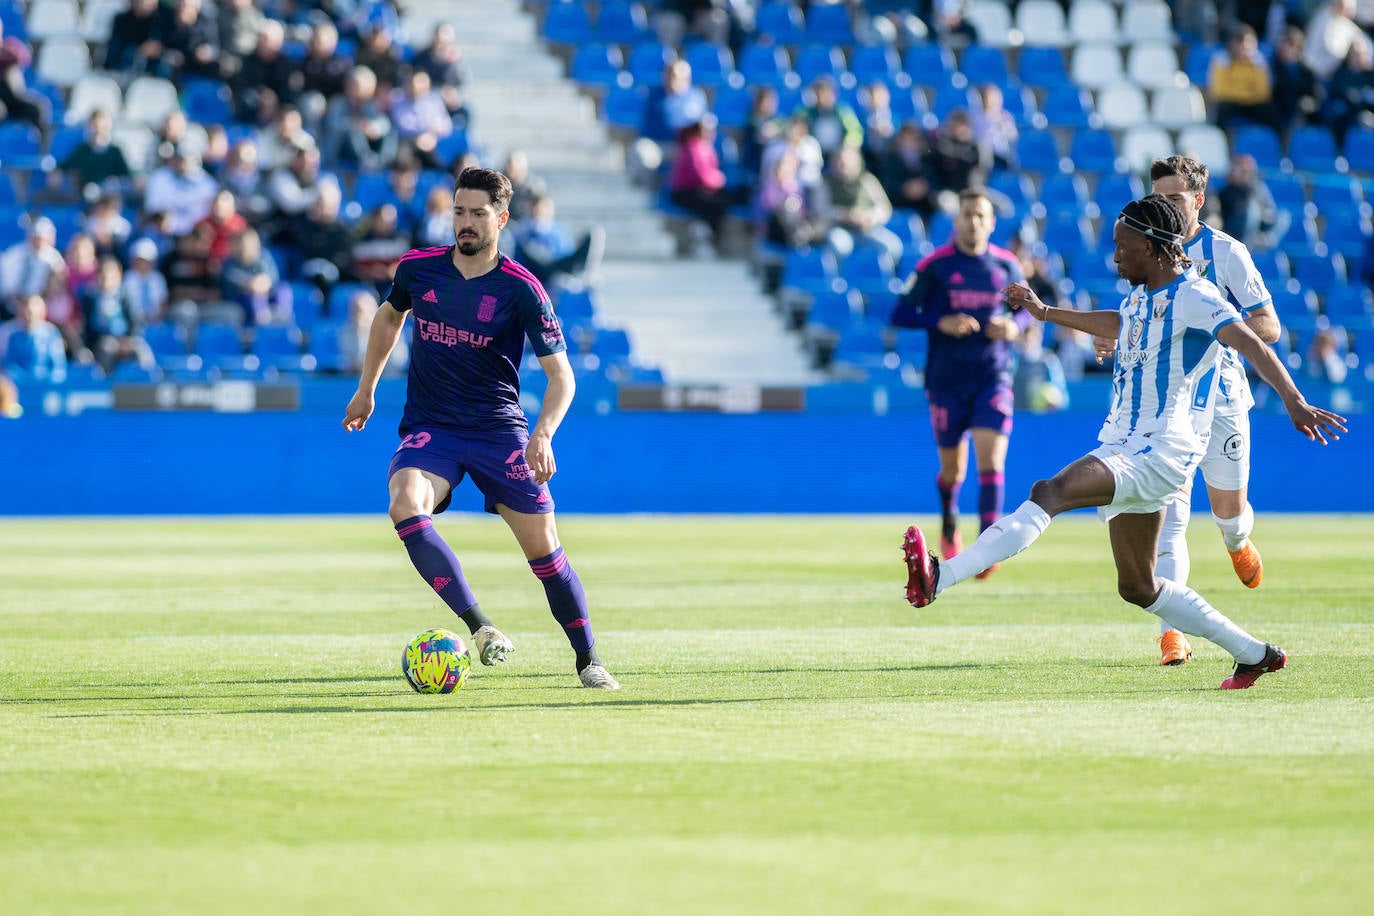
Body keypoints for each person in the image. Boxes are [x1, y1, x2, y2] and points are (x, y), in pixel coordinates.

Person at [903, 194, 1348, 690]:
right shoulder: (1142, 293)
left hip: (1158, 450)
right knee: (1137, 586)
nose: (1114, 255)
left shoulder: (1195, 296)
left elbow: (1250, 341)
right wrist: (1045, 312)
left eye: (1123, 246)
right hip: (1128, 442)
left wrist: (1294, 400)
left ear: (1154, 247)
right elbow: (1120, 323)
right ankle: (1255, 654)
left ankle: (939, 579)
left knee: (1048, 492)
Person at [342, 167, 620, 690]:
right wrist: (366, 388)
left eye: (477, 213)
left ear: (502, 218)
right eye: (459, 211)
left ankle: (589, 660)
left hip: (499, 431)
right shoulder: (419, 269)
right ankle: (481, 626)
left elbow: (563, 378)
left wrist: (541, 435)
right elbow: (387, 318)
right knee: (403, 502)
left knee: (545, 552)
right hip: (433, 428)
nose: (465, 223)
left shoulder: (522, 289)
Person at [1128, 156, 1284, 666]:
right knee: (1170, 520)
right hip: (1169, 402)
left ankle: (1238, 541)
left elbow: (1270, 325)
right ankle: (1172, 634)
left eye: (1173, 199)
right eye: (1157, 197)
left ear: (1197, 200)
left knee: (1228, 514)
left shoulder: (1226, 252)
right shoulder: (1145, 244)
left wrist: (1219, 331)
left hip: (1222, 399)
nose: (1162, 207)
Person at [889, 189, 1028, 576]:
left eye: (981, 216)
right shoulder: (935, 265)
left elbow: (1031, 312)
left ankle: (986, 547)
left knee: (992, 460)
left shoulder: (1006, 266)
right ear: (957, 220)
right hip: (947, 380)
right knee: (954, 472)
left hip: (992, 376)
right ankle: (950, 518)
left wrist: (1013, 326)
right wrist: (940, 322)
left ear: (992, 222)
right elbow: (900, 313)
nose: (974, 222)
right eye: (967, 214)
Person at [0, 295, 68, 383]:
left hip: (45, 386)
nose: (28, 315)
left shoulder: (51, 334)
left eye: (31, 312)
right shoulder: (14, 337)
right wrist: (22, 376)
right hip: (21, 385)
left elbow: (58, 366)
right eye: (25, 311)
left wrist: (42, 378)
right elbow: (9, 364)